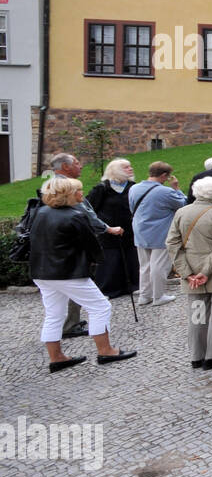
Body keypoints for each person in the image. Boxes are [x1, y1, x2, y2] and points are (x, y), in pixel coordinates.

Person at [28, 175, 136, 372]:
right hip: (68, 272)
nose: (81, 194)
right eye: (77, 190)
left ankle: (57, 357)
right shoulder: (74, 216)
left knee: (54, 314)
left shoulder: (40, 212)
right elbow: (91, 245)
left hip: (42, 271)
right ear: (67, 194)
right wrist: (98, 260)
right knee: (100, 307)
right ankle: (106, 350)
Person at [48, 152, 125, 337]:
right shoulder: (65, 187)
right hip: (70, 248)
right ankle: (93, 341)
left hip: (56, 251)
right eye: (76, 162)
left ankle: (67, 324)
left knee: (56, 303)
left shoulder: (52, 184)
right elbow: (86, 214)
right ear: (65, 167)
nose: (80, 165)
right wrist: (108, 229)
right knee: (98, 304)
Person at [167, 176, 212, 370]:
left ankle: (197, 356)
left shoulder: (182, 212)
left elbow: (172, 243)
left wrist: (186, 272)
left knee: (197, 314)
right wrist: (206, 271)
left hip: (191, 273)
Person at [129, 162, 187, 306]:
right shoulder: (165, 192)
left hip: (140, 230)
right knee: (159, 265)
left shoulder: (134, 188)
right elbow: (184, 204)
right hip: (160, 232)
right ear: (164, 176)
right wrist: (176, 188)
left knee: (145, 265)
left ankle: (144, 295)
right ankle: (158, 295)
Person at [85, 158, 140, 300]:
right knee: (111, 260)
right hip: (108, 231)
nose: (130, 169)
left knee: (131, 257)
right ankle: (108, 289)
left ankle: (132, 285)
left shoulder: (133, 187)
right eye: (126, 167)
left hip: (129, 231)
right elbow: (90, 208)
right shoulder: (102, 188)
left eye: (130, 166)